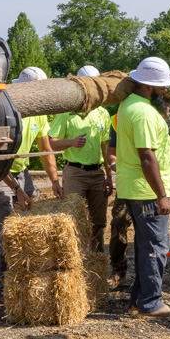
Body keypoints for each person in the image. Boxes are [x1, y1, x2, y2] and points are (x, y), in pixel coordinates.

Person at [116, 56, 170, 318]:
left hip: (138, 188)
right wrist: (161, 194)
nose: (165, 91)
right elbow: (147, 156)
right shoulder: (142, 112)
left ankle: (139, 302)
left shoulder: (130, 105)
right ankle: (151, 303)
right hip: (146, 191)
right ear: (149, 86)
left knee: (145, 246)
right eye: (162, 87)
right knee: (156, 247)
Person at [0, 66, 55, 298]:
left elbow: (45, 149)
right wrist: (16, 189)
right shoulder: (3, 111)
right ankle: (4, 292)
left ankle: (30, 287)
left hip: (22, 173)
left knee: (33, 229)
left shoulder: (39, 111)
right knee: (6, 234)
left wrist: (55, 180)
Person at [46, 65, 114, 250]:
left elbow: (105, 147)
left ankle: (96, 260)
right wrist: (71, 142)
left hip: (97, 173)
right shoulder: (66, 113)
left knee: (98, 221)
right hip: (75, 173)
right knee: (73, 220)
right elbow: (52, 143)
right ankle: (74, 261)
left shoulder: (103, 113)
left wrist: (108, 176)